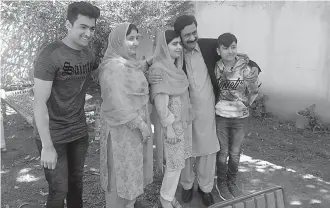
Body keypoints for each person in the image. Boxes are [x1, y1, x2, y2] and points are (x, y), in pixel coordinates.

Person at [148, 15, 261, 206]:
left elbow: (234, 54)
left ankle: (206, 188)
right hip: (183, 113)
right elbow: (155, 61)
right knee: (187, 151)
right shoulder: (174, 51)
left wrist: (254, 67)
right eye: (187, 35)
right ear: (179, 36)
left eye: (194, 33)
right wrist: (150, 72)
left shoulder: (209, 46)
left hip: (208, 110)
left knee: (208, 151)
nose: (192, 38)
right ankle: (186, 185)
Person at [33, 2, 100, 207]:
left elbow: (107, 75)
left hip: (79, 132)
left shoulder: (88, 54)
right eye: (83, 27)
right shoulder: (50, 55)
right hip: (54, 135)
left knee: (76, 184)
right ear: (68, 25)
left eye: (92, 28)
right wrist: (47, 146)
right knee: (58, 189)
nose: (88, 33)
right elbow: (39, 103)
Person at [98, 23, 154, 208]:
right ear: (117, 41)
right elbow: (117, 101)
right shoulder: (113, 68)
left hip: (131, 132)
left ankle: (130, 203)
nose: (136, 42)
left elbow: (134, 70)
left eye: (137, 38)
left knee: (130, 171)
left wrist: (147, 63)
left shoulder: (126, 63)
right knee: (119, 173)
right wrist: (141, 124)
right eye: (130, 38)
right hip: (120, 130)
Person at [150, 29, 193, 208]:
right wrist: (169, 127)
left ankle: (167, 196)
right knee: (174, 165)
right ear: (164, 47)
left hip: (181, 125)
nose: (179, 47)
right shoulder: (159, 69)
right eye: (174, 44)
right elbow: (161, 102)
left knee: (177, 164)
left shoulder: (176, 69)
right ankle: (165, 200)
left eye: (179, 43)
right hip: (171, 127)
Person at [214, 33, 259, 200]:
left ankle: (232, 182)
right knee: (222, 152)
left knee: (235, 152)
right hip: (221, 117)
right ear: (219, 51)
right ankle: (221, 183)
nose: (230, 51)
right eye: (225, 48)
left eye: (233, 47)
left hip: (240, 118)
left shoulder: (246, 68)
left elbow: (254, 90)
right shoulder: (216, 67)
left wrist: (246, 104)